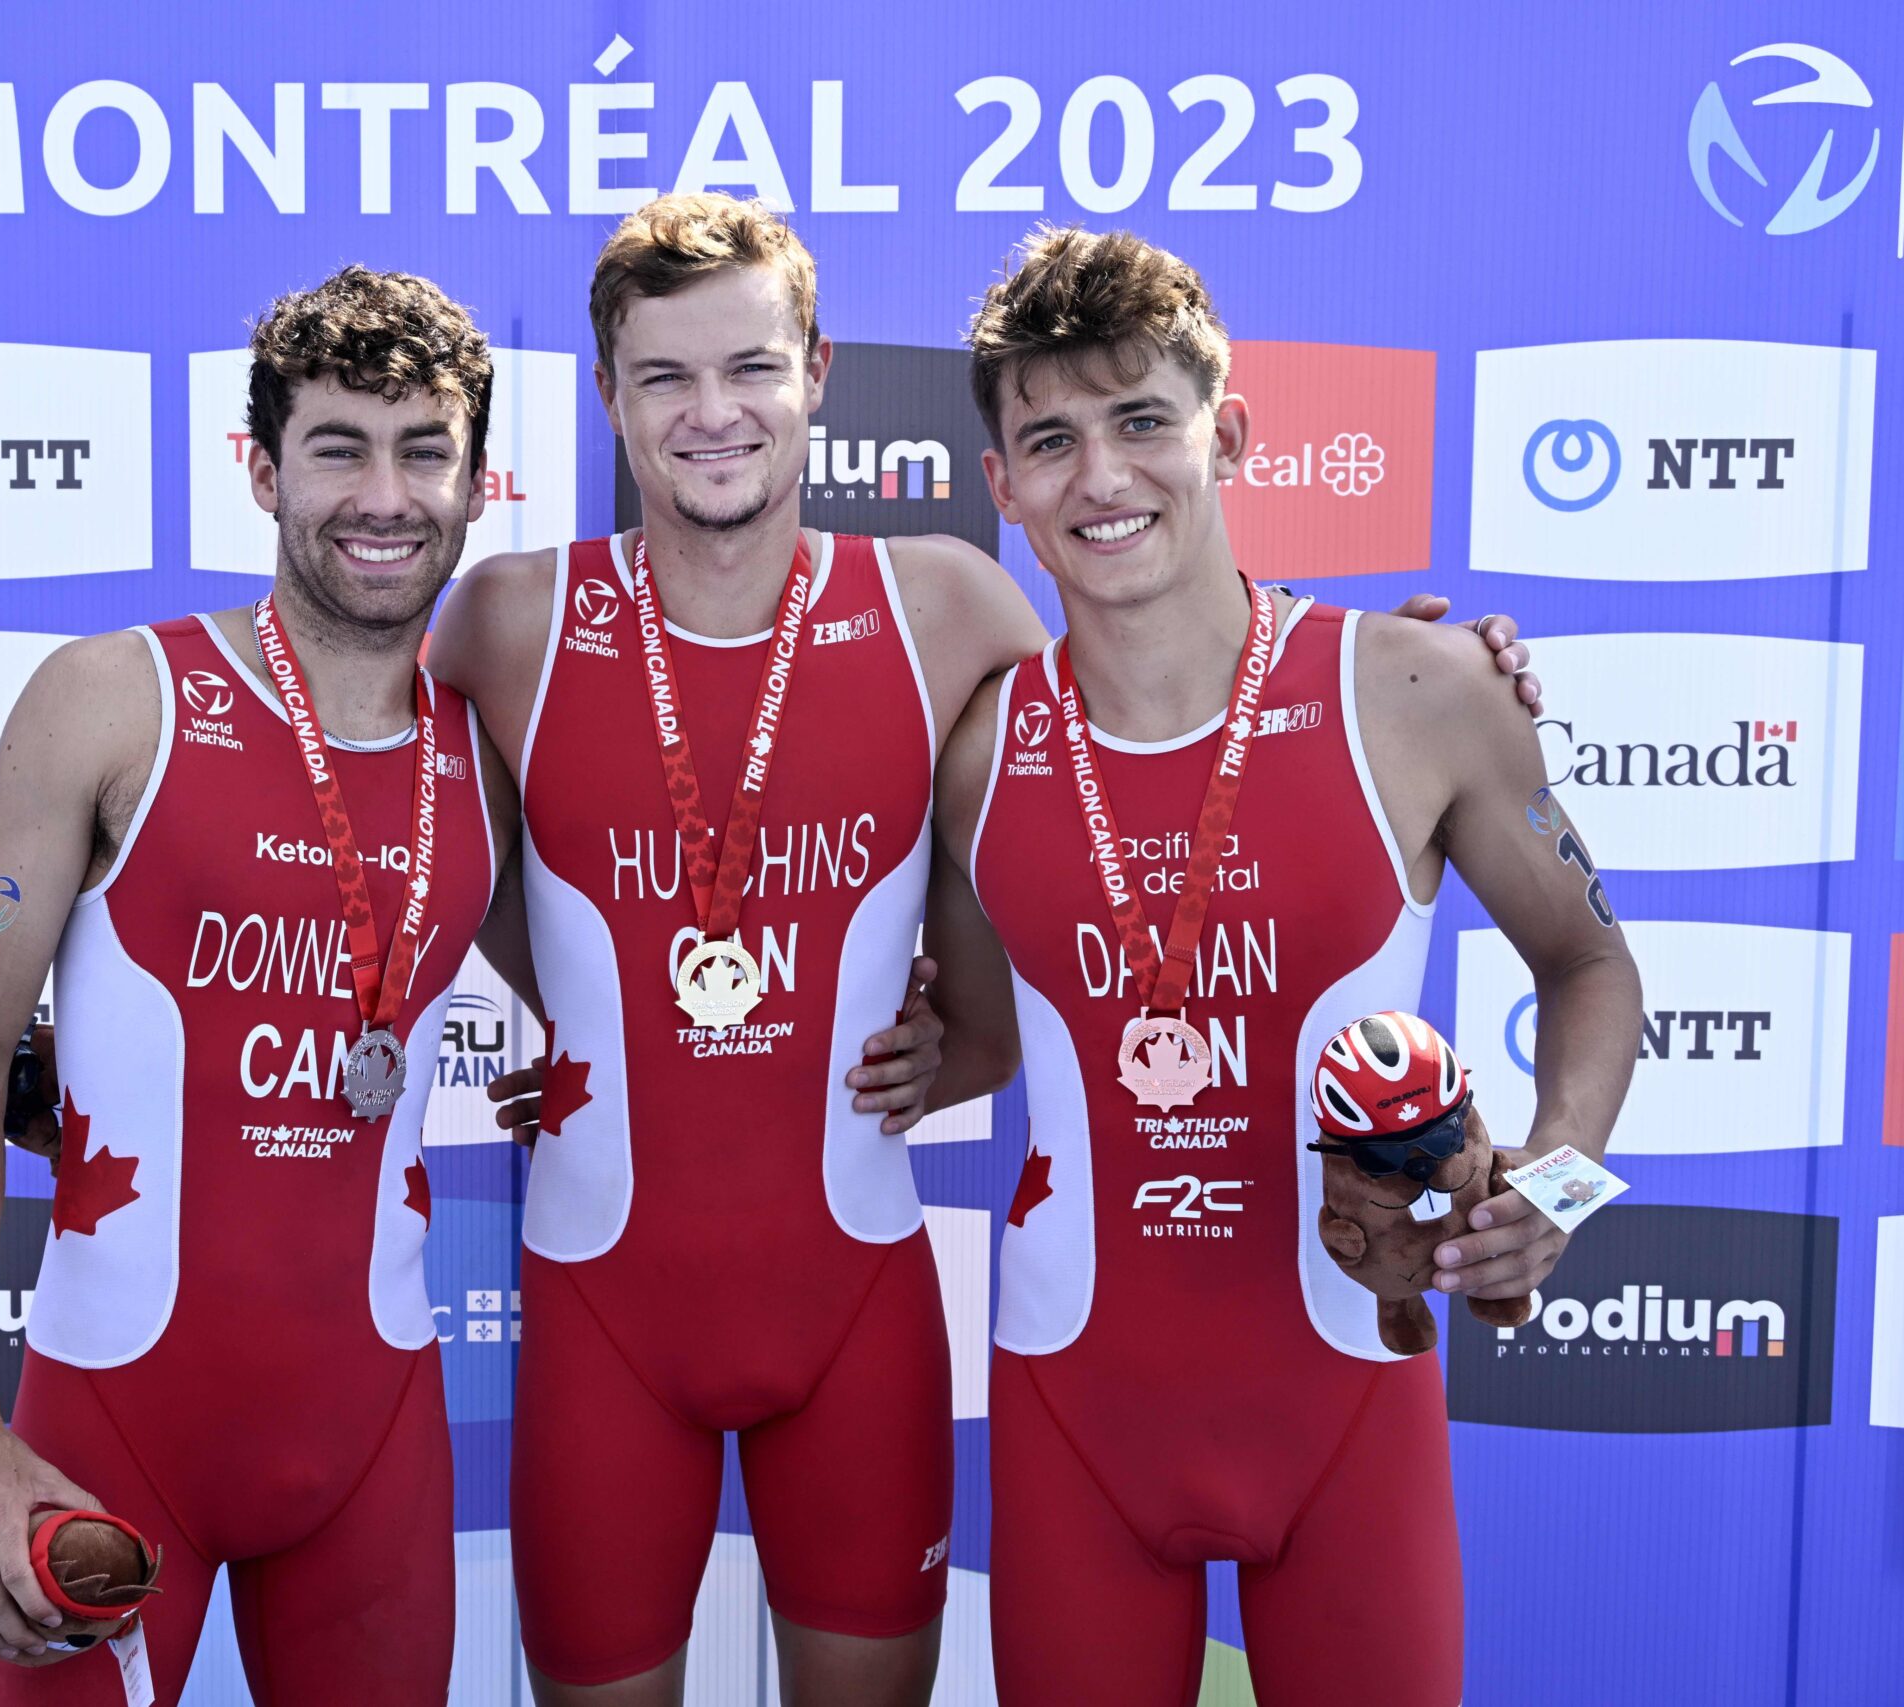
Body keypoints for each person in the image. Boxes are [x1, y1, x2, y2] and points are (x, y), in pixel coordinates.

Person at [439, 194, 1541, 1706]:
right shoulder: (503, 620)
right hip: (604, 1308)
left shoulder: (947, 606)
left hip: (861, 1309)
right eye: (663, 378)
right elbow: (407, 838)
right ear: (607, 393)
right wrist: (579, 1008)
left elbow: (1142, 736)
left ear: (817, 371)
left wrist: (1418, 678)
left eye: (751, 368)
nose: (712, 414)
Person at [920, 224, 1642, 1706]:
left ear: (1227, 435)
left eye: (1142, 421)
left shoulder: (1418, 689)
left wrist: (1557, 1190)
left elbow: (1592, 965)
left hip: (1347, 1409)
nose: (1102, 478)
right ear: (1001, 486)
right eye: (1048, 440)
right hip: (1076, 1414)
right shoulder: (979, 748)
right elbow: (976, 1037)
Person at [0, 265, 522, 1706]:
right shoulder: (114, 699)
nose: (385, 493)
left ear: (480, 482)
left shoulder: (487, 754)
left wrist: (926, 1014)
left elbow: (641, 980)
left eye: (424, 450)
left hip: (372, 1439)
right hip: (113, 1425)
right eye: (338, 448)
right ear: (260, 469)